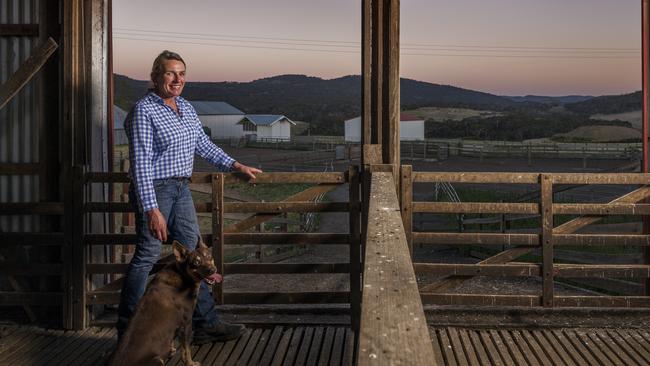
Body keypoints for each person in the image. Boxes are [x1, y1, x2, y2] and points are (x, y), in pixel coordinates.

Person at [117, 50, 262, 344]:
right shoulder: (144, 110)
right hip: (155, 189)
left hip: (181, 188)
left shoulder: (185, 107)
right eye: (170, 73)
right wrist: (151, 209)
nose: (177, 79)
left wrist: (236, 165)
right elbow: (141, 162)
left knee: (196, 254)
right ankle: (128, 331)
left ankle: (205, 324)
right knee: (146, 255)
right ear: (156, 76)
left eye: (181, 73)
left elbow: (204, 145)